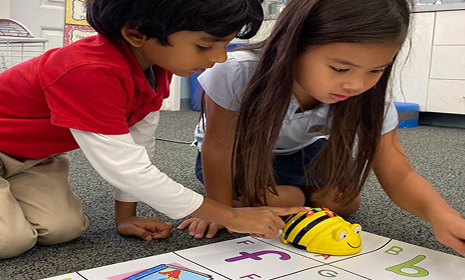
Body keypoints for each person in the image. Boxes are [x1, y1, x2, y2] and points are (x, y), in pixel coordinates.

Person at [0, 0, 307, 260]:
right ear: (137, 33)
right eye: (205, 45)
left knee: (63, 229)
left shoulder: (156, 68)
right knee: (3, 242)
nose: (218, 58)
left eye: (226, 44)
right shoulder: (89, 69)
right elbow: (126, 169)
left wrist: (126, 217)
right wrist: (228, 214)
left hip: (31, 157)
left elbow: (136, 149)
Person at [178, 0, 465, 256]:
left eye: (376, 70)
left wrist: (441, 215)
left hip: (299, 151)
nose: (356, 84)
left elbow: (398, 170)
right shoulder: (238, 72)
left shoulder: (370, 97)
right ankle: (290, 196)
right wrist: (219, 208)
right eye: (340, 69)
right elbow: (218, 146)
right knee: (265, 200)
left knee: (346, 202)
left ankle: (295, 196)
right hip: (239, 155)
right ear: (289, 46)